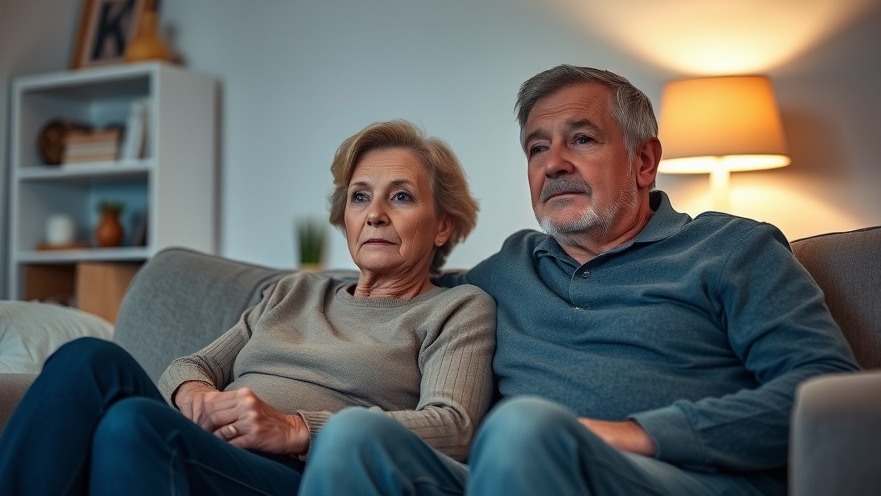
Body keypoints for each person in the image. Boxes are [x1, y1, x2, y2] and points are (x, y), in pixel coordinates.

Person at [298, 65, 861, 495]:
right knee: (353, 438)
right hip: (507, 475)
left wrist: (634, 432)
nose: (554, 163)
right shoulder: (504, 272)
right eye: (537, 148)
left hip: (678, 478)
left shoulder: (732, 248)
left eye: (582, 139)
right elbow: (399, 316)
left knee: (523, 428)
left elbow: (824, 392)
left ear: (644, 162)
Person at [0, 119, 496, 495]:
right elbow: (192, 366)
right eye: (360, 197)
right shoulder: (294, 292)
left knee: (132, 424)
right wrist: (195, 395)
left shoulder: (455, 309)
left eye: (402, 197)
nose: (375, 215)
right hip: (209, 439)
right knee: (88, 358)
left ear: (443, 226)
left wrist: (296, 430)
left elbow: (453, 426)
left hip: (291, 474)